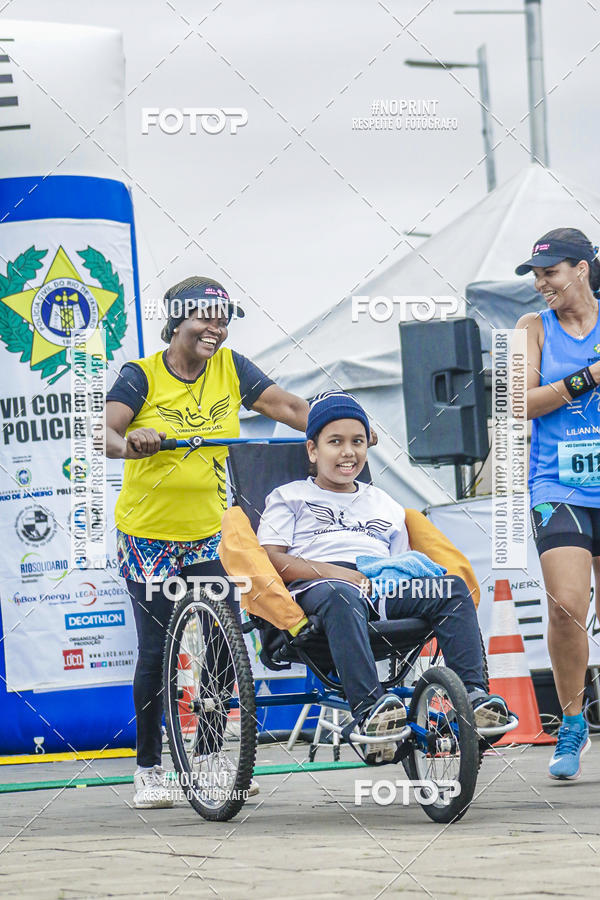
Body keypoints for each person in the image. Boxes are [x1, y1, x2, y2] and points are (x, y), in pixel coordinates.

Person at [105, 275, 310, 808]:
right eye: (205, 319)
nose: (215, 329)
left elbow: (287, 408)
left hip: (205, 534)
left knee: (222, 641)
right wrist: (131, 444)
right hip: (148, 536)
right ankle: (149, 768)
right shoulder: (141, 375)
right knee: (155, 651)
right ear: (176, 320)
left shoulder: (231, 367)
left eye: (223, 320)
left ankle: (215, 758)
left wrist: (339, 422)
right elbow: (103, 432)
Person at [257, 391, 508, 764]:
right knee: (342, 594)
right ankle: (371, 710)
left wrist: (385, 577)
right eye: (335, 442)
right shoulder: (290, 497)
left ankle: (473, 698)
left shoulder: (384, 503)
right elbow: (271, 560)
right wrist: (337, 573)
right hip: (317, 588)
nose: (348, 452)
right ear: (312, 450)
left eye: (357, 442)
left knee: (451, 588)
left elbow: (399, 562)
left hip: (380, 585)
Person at [516, 228, 600, 779]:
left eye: (550, 272)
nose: (542, 284)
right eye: (537, 275)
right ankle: (571, 722)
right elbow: (521, 402)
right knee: (568, 605)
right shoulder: (532, 328)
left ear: (581, 270)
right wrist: (589, 376)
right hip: (559, 484)